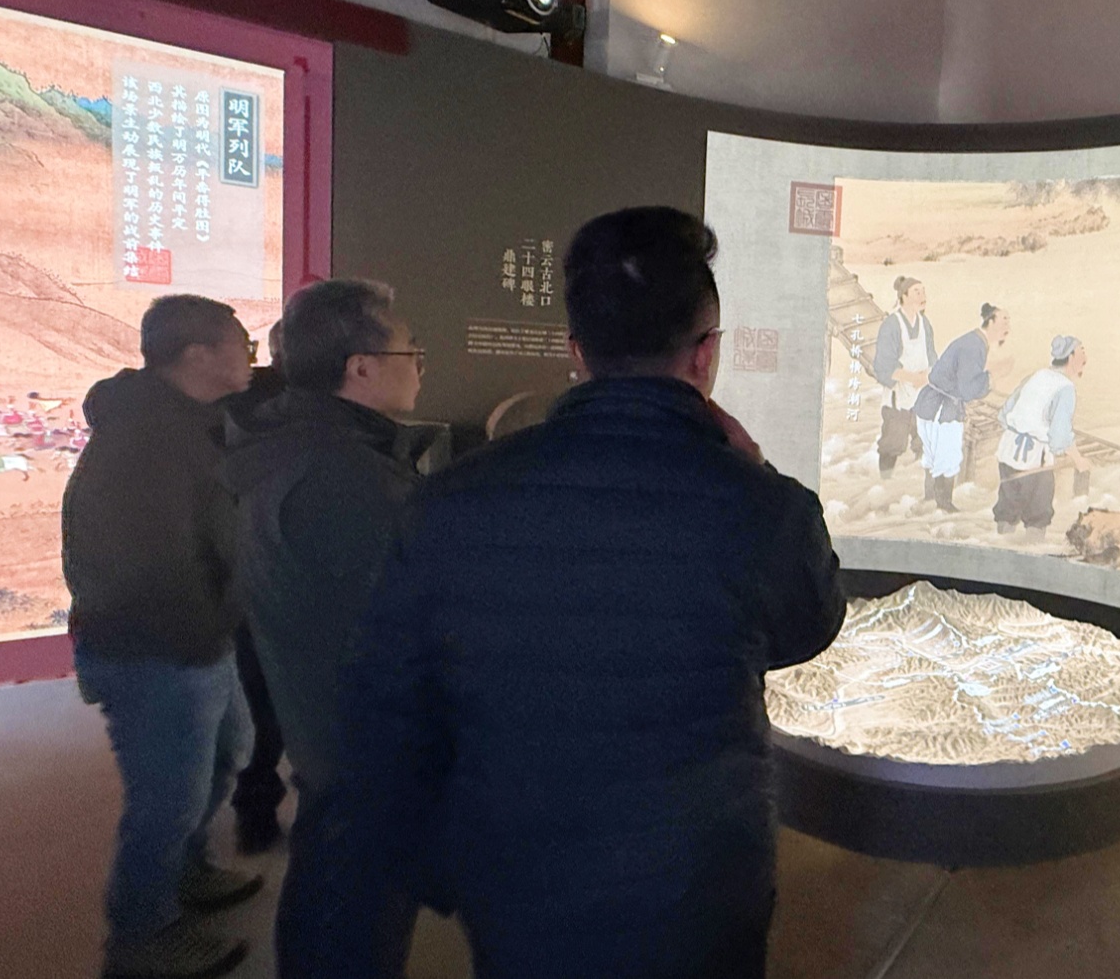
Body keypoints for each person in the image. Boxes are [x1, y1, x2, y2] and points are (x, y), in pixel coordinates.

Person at [310, 207, 845, 978]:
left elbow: (384, 698)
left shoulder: (452, 498)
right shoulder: (764, 506)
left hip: (516, 871)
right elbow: (808, 626)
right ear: (704, 354)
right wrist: (754, 469)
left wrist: (430, 858)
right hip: (698, 878)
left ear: (575, 351)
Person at [222, 280, 426, 977]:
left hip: (322, 716)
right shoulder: (346, 477)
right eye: (410, 350)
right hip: (363, 731)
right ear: (361, 367)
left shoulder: (292, 442)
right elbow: (413, 614)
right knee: (354, 907)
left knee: (329, 874)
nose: (420, 365)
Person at [63, 295, 261, 979]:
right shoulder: (145, 440)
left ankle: (186, 871)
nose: (251, 358)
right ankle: (141, 938)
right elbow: (141, 565)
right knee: (167, 799)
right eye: (242, 344)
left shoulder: (190, 422)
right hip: (155, 649)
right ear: (198, 355)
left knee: (228, 753)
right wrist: (205, 626)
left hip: (199, 638)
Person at [224, 319, 286, 855]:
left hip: (249, 575)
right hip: (287, 577)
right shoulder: (313, 411)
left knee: (258, 708)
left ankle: (255, 813)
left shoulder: (235, 403)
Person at [912, 303, 1011, 512]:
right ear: (991, 322)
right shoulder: (974, 346)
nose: (1007, 327)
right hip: (942, 406)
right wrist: (993, 376)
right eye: (1004, 321)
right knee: (946, 457)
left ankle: (932, 501)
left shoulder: (973, 341)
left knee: (934, 456)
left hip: (931, 404)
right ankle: (943, 505)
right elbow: (968, 389)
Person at [993, 336, 1091, 540]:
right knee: (1037, 515)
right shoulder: (1065, 388)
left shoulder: (1035, 376)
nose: (1085, 358)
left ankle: (999, 546)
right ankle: (1032, 552)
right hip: (1035, 462)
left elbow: (1005, 413)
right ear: (1070, 357)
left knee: (1007, 509)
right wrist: (1079, 460)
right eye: (1082, 352)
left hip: (1008, 453)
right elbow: (1059, 436)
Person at [870, 276, 935, 479]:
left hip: (921, 392)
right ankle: (885, 483)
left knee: (923, 438)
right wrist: (911, 378)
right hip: (898, 395)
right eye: (917, 292)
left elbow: (932, 356)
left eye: (923, 291)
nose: (923, 296)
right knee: (893, 443)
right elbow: (883, 366)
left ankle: (916, 484)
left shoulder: (924, 324)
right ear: (904, 296)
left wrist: (926, 375)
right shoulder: (891, 324)